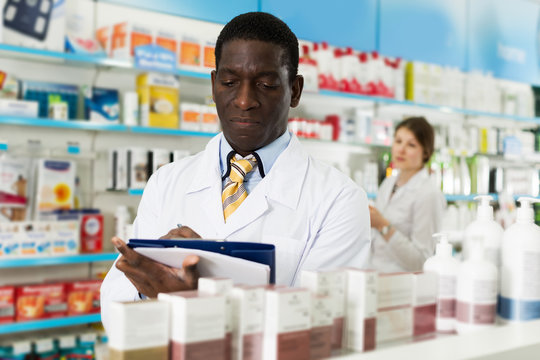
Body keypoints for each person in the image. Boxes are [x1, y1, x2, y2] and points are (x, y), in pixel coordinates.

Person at [100, 12, 371, 331]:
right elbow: (114, 304)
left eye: (266, 85)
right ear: (214, 86)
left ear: (294, 90)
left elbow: (322, 326)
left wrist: (202, 298)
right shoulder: (167, 181)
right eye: (229, 83)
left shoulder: (339, 198)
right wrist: (153, 289)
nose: (244, 101)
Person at [369, 116, 446, 272]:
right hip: (374, 274)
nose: (401, 150)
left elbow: (421, 261)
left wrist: (382, 225)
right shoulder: (388, 183)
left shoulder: (428, 193)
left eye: (411, 145)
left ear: (426, 152)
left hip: (404, 284)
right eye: (398, 141)